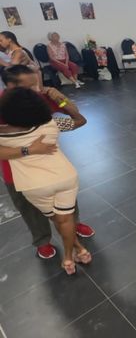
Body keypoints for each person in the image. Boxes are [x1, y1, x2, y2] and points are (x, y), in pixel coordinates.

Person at [0, 65, 94, 260]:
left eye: (36, 83)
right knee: (29, 208)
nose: (37, 89)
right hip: (16, 172)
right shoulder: (5, 105)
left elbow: (75, 117)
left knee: (66, 202)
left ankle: (72, 226)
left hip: (51, 165)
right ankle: (42, 240)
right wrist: (28, 149)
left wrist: (60, 99)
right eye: (30, 86)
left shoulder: (36, 97)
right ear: (10, 86)